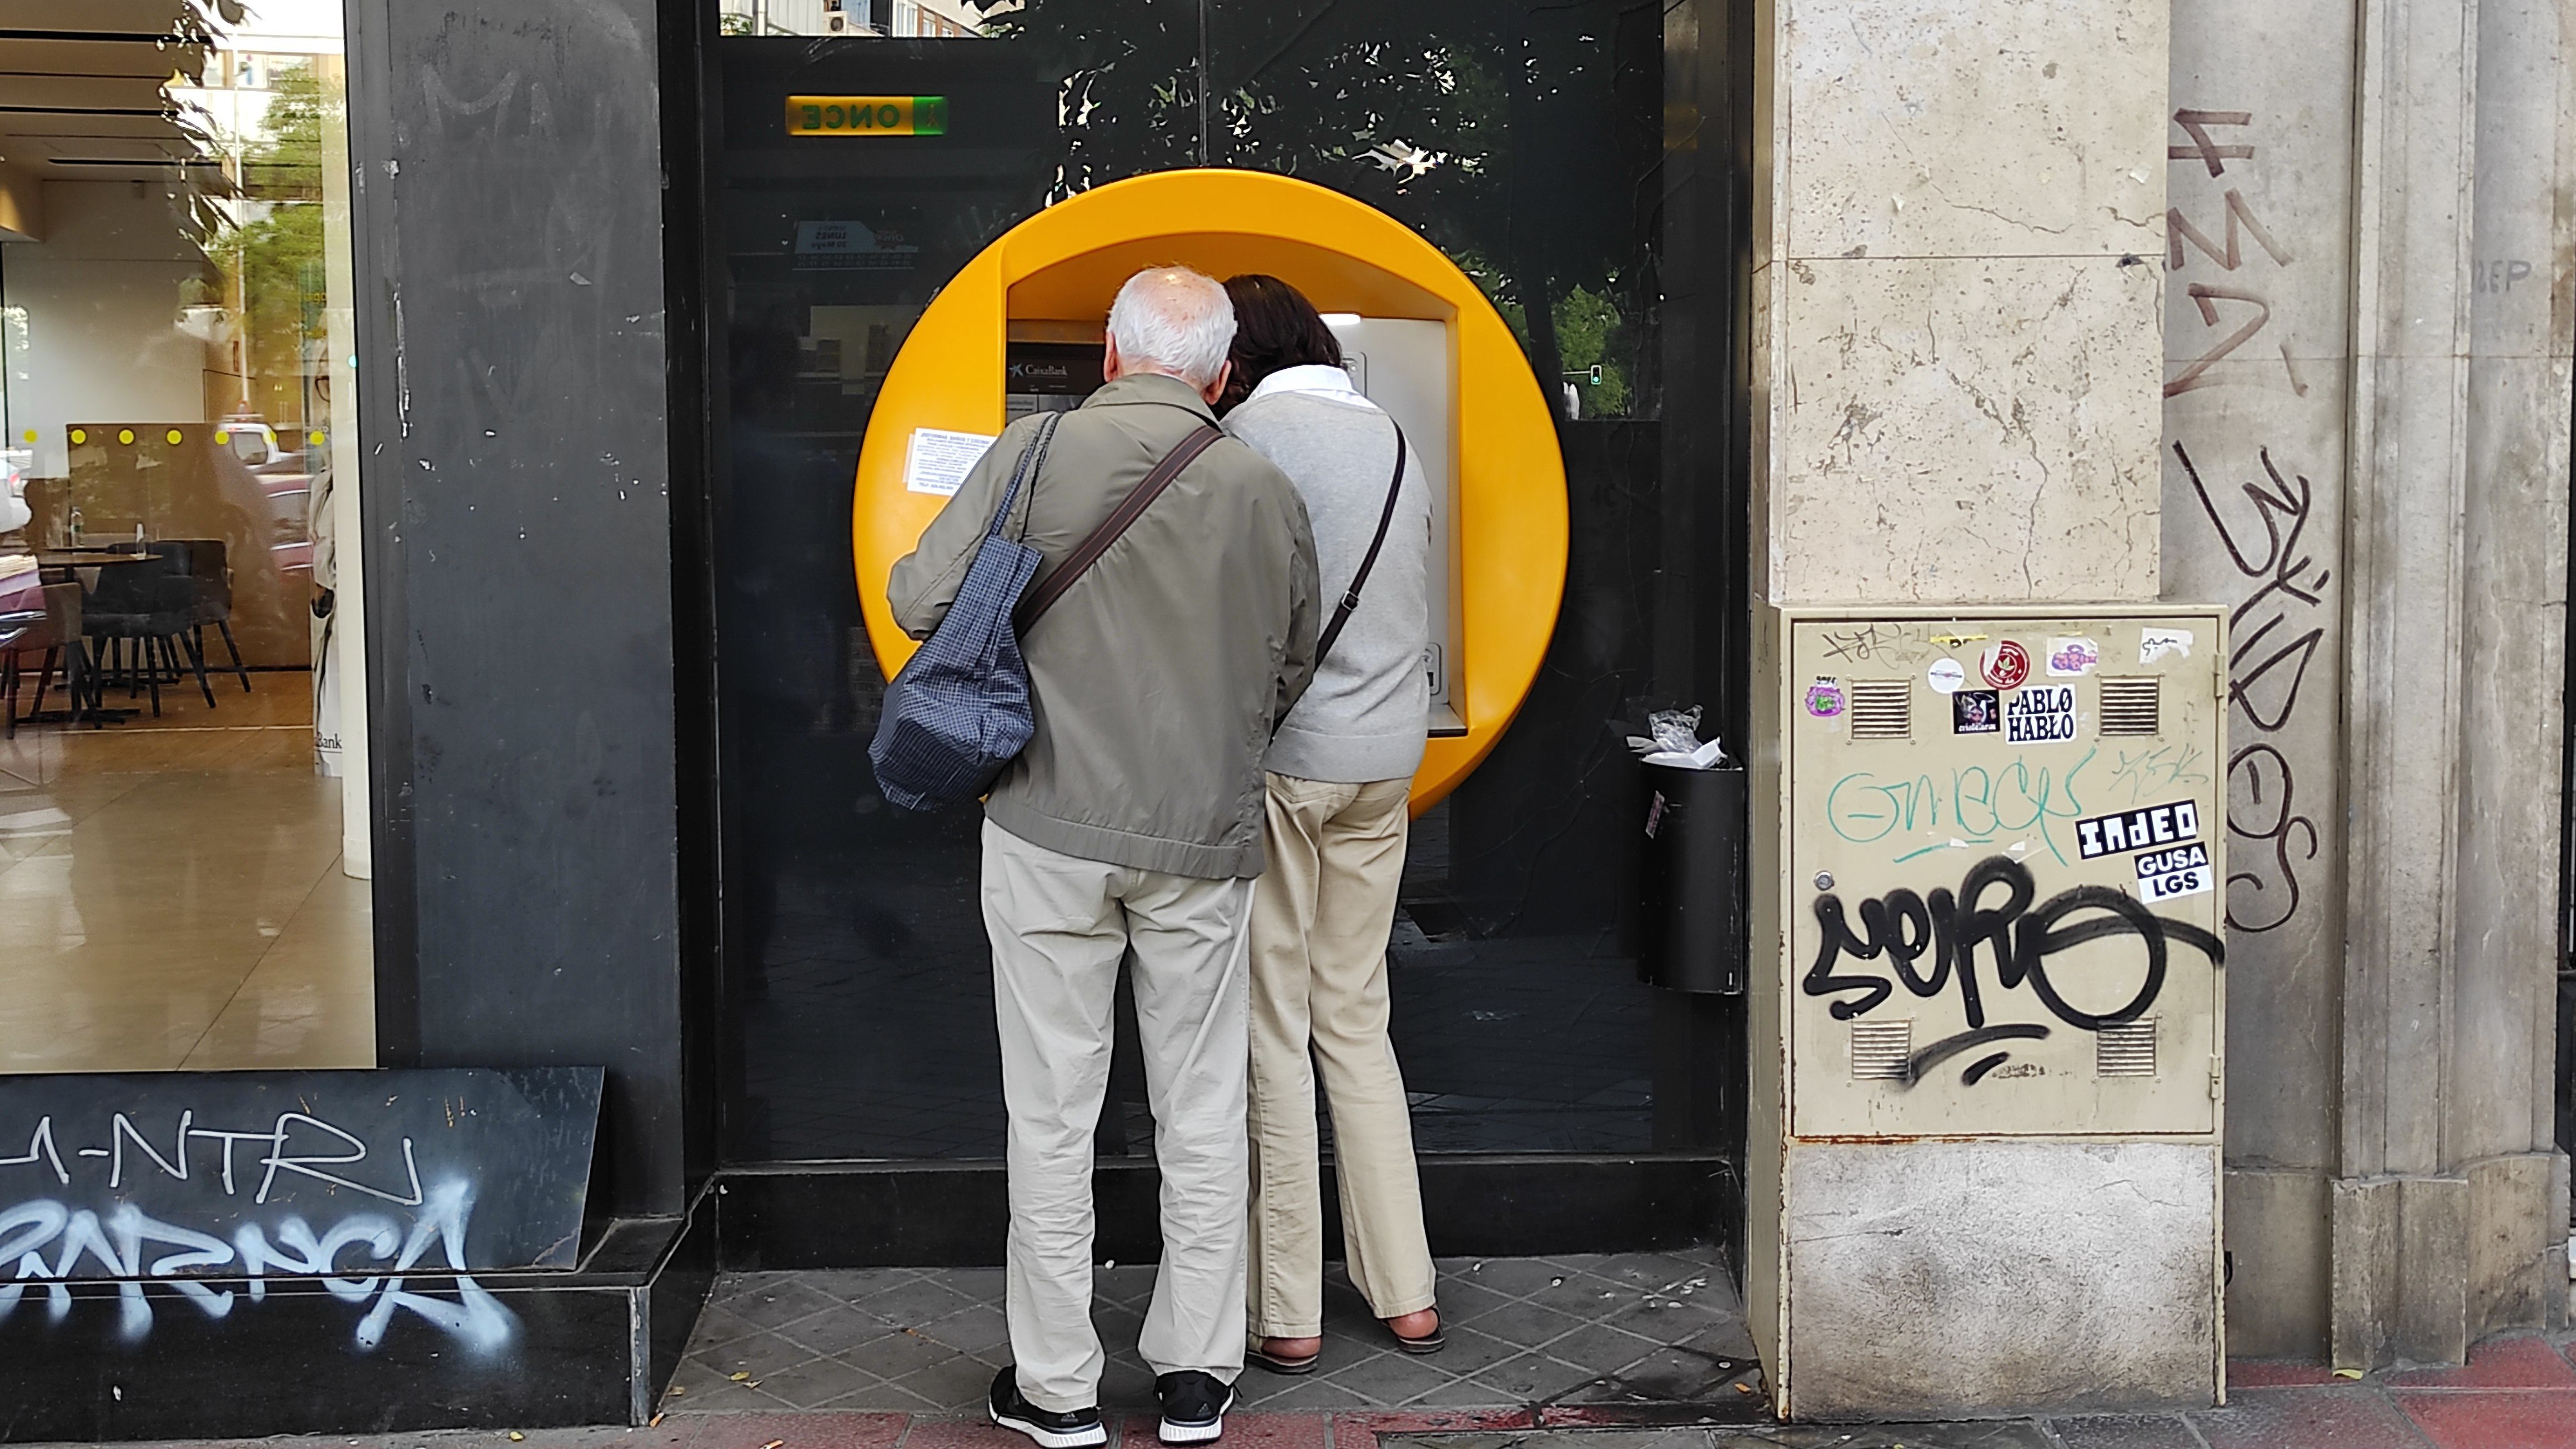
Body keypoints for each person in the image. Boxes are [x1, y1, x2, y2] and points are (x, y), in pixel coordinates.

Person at [889, 266, 1319, 1449]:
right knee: (1200, 1106)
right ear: (1221, 373)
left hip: (1045, 825)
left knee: (1052, 1109)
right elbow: (1291, 664)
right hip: (1201, 837)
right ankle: (1193, 1378)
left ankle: (1058, 1388)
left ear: (1110, 357)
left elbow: (918, 597)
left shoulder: (1033, 454)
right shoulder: (1260, 484)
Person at [1215, 274, 1442, 1373]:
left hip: (1287, 766)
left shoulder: (1247, 437)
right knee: (1355, 1017)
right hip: (1384, 762)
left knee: (1273, 1024)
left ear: (1235, 354)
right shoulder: (1393, 433)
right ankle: (1406, 1293)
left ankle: (1290, 1310)